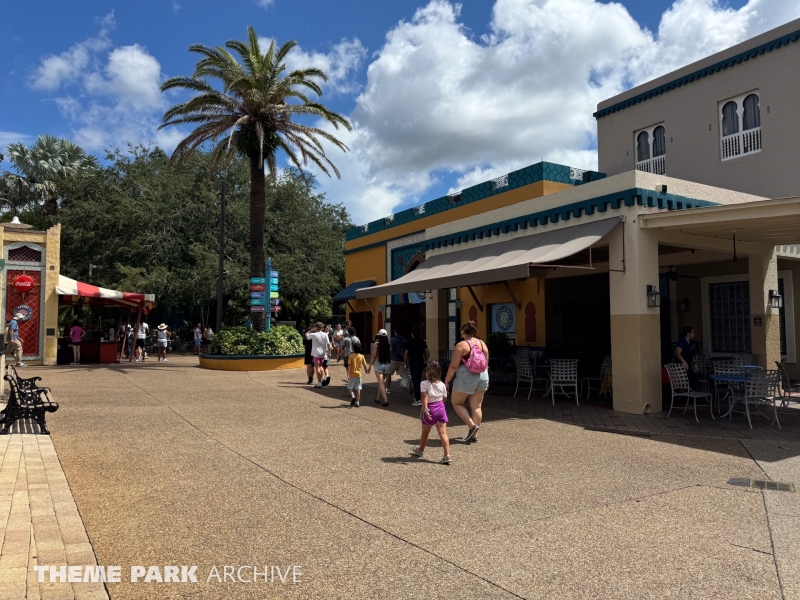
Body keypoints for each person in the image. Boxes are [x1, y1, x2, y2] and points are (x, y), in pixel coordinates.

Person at [444, 320, 489, 443]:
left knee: (457, 403)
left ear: (463, 331)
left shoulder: (461, 345)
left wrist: (446, 381)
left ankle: (471, 426)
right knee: (476, 407)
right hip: (483, 376)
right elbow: (486, 363)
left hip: (467, 376)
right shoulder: (482, 344)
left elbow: (453, 366)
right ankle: (474, 436)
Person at [411, 362, 451, 464]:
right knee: (443, 433)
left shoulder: (424, 384)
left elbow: (424, 397)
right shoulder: (442, 384)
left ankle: (420, 450)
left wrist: (425, 409)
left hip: (430, 409)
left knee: (425, 433)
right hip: (441, 409)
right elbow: (444, 398)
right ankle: (447, 455)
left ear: (428, 372)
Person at [404, 324, 430, 407]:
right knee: (420, 380)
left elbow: (405, 354)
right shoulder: (422, 342)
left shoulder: (410, 342)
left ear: (412, 334)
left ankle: (418, 398)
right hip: (421, 363)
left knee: (415, 381)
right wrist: (425, 360)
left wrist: (405, 363)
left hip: (413, 363)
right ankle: (422, 397)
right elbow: (428, 352)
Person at [368, 329, 391, 406]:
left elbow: (373, 356)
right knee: (381, 383)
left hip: (379, 364)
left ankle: (385, 400)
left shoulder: (377, 344)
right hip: (387, 365)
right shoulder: (388, 344)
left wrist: (369, 366)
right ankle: (377, 398)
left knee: (381, 383)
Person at [306, 322, 332, 388]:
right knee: (320, 367)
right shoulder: (325, 334)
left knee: (317, 368)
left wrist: (312, 330)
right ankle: (323, 379)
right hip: (322, 353)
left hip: (316, 353)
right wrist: (329, 353)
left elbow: (306, 334)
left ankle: (319, 382)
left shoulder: (314, 334)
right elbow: (328, 344)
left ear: (316, 327)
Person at [387, 328, 407, 393]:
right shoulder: (404, 339)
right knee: (403, 375)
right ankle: (407, 386)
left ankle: (388, 388)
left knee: (389, 374)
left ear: (395, 331)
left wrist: (388, 356)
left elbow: (391, 349)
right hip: (401, 359)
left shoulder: (393, 339)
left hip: (394, 359)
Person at [347, 341, 367, 407]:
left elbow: (349, 365)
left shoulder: (351, 356)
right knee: (358, 388)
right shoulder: (362, 356)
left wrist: (348, 374)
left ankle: (353, 396)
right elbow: (364, 365)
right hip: (359, 374)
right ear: (360, 349)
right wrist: (366, 370)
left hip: (352, 374)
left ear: (353, 349)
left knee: (350, 387)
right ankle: (357, 402)